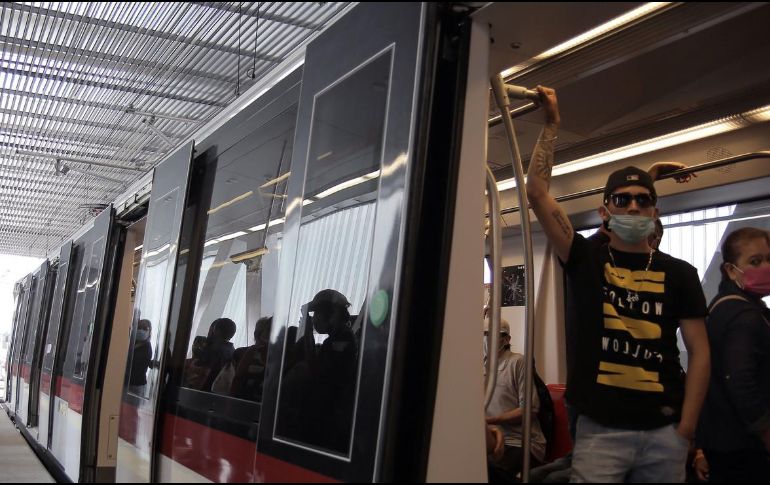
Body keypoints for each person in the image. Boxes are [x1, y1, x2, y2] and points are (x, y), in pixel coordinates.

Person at [524, 85, 710, 482]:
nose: (633, 207)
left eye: (643, 200)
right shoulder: (584, 258)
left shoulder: (680, 273)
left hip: (665, 430)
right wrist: (553, 124)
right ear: (604, 210)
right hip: (600, 432)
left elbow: (700, 352)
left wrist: (687, 430)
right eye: (621, 200)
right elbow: (536, 192)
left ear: (656, 210)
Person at [696, 227, 770, 482]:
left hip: (722, 442)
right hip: (742, 445)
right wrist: (765, 432)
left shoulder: (720, 305)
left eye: (769, 259)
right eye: (755, 261)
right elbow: (739, 379)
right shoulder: (743, 315)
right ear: (730, 269)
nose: (765, 267)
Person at [484, 318, 547, 482]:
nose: (486, 339)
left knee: (487, 468)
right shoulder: (481, 367)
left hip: (521, 441)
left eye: (492, 335)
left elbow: (529, 409)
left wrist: (492, 420)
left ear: (506, 339)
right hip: (492, 438)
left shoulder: (517, 362)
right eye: (484, 334)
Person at [128, 319, 153, 396]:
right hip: (128, 382)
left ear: (149, 332)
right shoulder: (132, 342)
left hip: (137, 385)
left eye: (145, 329)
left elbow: (136, 363)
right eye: (139, 327)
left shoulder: (147, 347)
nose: (141, 330)